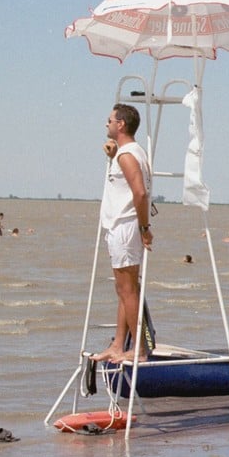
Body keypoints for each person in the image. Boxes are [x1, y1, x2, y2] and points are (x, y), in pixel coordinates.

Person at [92, 103, 153, 364]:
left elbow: (140, 192)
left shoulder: (127, 155)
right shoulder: (127, 153)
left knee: (128, 290)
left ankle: (138, 348)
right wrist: (113, 154)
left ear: (121, 125)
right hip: (122, 227)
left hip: (126, 227)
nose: (106, 124)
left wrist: (144, 228)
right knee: (124, 289)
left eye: (109, 120)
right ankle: (118, 344)